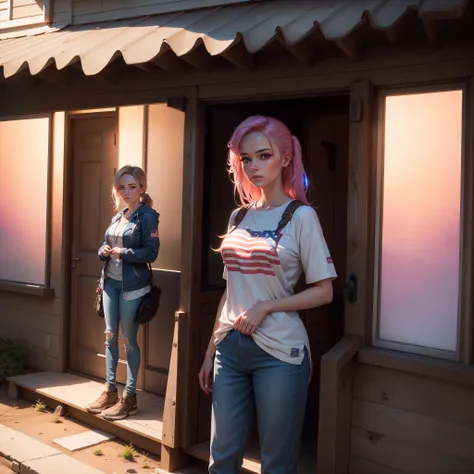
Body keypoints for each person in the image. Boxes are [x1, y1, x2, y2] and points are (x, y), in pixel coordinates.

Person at [198, 116, 337, 474]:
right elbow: (231, 290)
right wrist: (211, 349)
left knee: (276, 464)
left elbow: (324, 292)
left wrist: (267, 307)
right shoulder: (238, 217)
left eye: (263, 155)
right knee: (221, 459)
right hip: (229, 347)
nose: (254, 166)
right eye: (246, 159)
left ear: (286, 158)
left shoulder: (301, 217)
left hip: (280, 351)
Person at [86, 165, 160, 421]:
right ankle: (109, 391)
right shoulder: (119, 216)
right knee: (109, 336)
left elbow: (151, 253)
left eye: (132, 187)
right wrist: (103, 251)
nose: (126, 192)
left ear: (142, 188)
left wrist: (123, 253)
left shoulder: (148, 216)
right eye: (121, 187)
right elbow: (104, 247)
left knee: (128, 339)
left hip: (133, 287)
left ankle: (130, 397)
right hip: (110, 283)